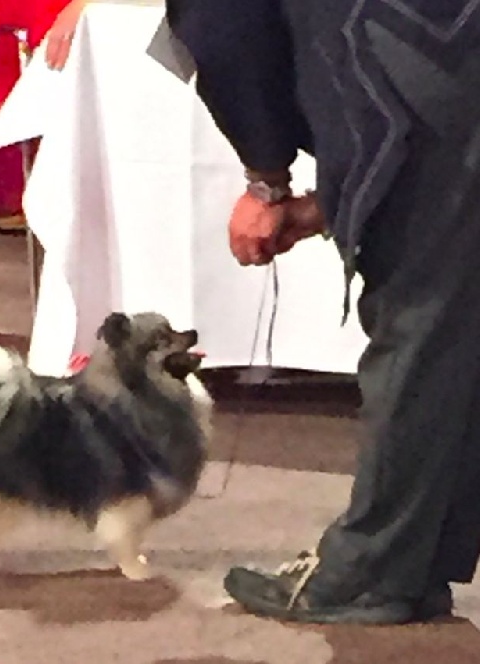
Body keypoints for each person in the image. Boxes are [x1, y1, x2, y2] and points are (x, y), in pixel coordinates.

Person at [165, 0, 480, 624]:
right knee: (452, 330)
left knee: (417, 333)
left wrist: (267, 179)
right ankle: (414, 560)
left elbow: (221, 27)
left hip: (421, 72)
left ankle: (372, 571)